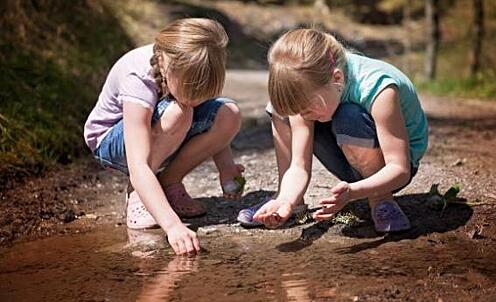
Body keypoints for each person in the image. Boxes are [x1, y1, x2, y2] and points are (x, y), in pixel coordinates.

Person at [238, 28, 428, 232]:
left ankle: (381, 200)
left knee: (348, 116)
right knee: (281, 108)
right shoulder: (313, 93)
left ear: (337, 78)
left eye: (308, 109)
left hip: (390, 171)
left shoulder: (378, 87)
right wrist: (285, 200)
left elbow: (400, 170)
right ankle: (290, 199)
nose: (305, 116)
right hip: (349, 162)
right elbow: (299, 166)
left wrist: (353, 192)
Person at [84, 18, 245, 255]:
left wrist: (226, 167)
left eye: (203, 95)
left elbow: (210, 118)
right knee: (180, 111)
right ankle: (138, 193)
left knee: (228, 113)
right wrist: (172, 226)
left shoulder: (187, 68)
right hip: (112, 143)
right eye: (192, 93)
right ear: (165, 65)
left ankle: (169, 182)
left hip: (163, 131)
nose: (198, 101)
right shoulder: (138, 78)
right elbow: (137, 163)